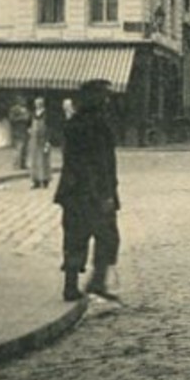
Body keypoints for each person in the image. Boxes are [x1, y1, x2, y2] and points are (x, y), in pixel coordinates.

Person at [55, 79, 121, 300]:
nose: (109, 101)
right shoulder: (100, 126)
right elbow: (101, 163)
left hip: (72, 191)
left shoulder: (73, 124)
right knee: (107, 236)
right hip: (94, 192)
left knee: (74, 237)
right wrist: (106, 194)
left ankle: (71, 286)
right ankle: (97, 281)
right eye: (105, 97)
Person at [27, 97, 52, 189]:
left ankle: (45, 180)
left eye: (39, 103)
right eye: (36, 103)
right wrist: (30, 131)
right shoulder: (33, 114)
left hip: (43, 139)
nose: (38, 105)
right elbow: (29, 125)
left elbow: (49, 128)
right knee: (34, 160)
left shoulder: (47, 114)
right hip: (34, 140)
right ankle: (35, 180)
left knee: (43, 160)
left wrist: (48, 141)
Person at [8, 97, 32, 171]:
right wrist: (22, 118)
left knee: (25, 148)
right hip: (17, 130)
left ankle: (23, 164)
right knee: (19, 148)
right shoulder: (14, 109)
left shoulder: (26, 110)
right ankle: (16, 164)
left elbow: (29, 119)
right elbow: (11, 119)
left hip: (25, 130)